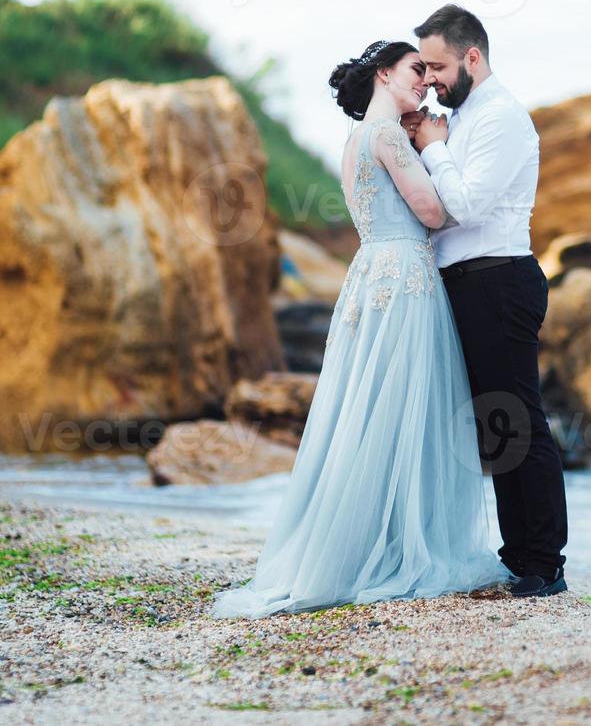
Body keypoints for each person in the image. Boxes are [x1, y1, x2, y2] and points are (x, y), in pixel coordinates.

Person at [210, 39, 509, 618]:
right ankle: (396, 547)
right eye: (415, 70)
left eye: (428, 70)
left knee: (369, 411)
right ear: (383, 74)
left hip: (372, 272)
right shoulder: (390, 135)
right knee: (404, 410)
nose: (424, 80)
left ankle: (370, 541)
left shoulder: (354, 139)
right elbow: (431, 212)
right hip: (404, 278)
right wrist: (441, 149)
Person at [403, 4, 569, 599]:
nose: (432, 79)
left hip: (500, 279)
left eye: (439, 66)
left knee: (520, 418)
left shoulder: (500, 117)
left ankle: (545, 563)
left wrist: (435, 149)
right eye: (424, 68)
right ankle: (516, 551)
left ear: (472, 56)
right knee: (495, 426)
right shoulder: (463, 116)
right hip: (468, 282)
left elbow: (466, 206)